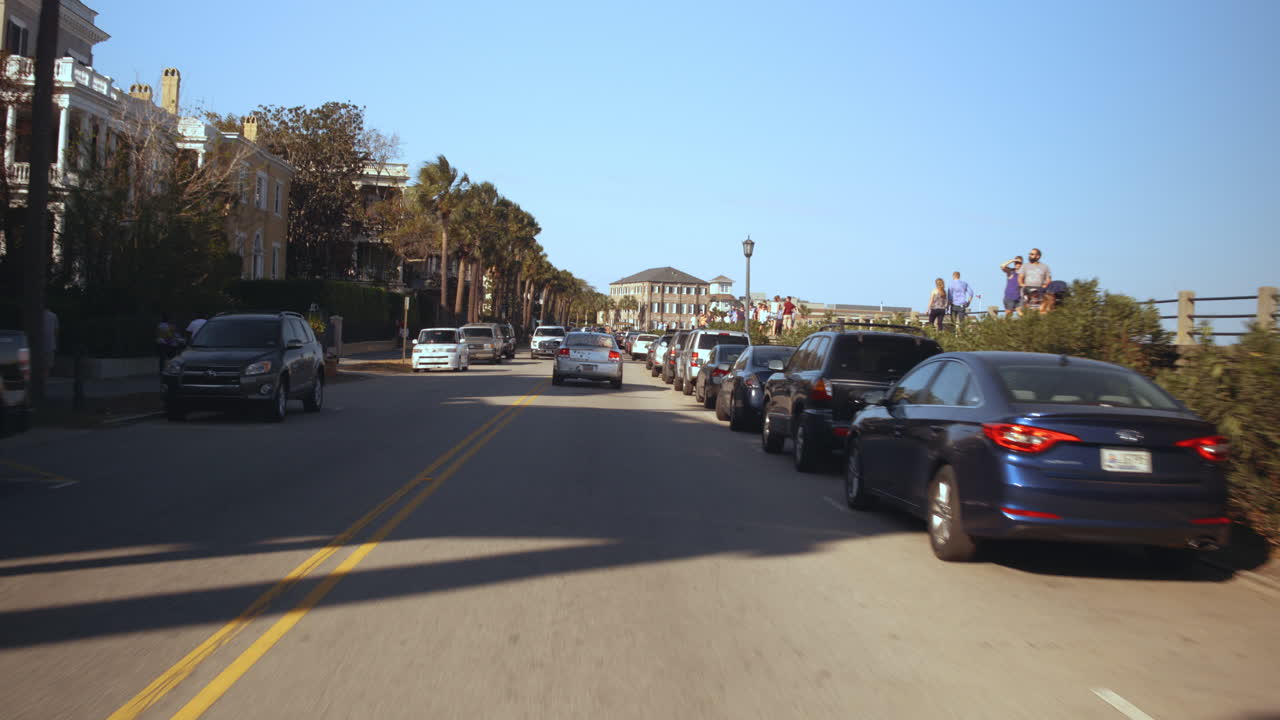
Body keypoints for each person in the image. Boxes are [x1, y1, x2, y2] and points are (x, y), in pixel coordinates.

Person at [1018, 247, 1052, 313]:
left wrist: (1045, 285)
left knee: (1040, 310)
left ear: (1038, 256)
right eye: (1030, 254)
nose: (1030, 255)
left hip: (1039, 291)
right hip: (1027, 291)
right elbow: (1020, 278)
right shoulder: (1025, 266)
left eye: (1032, 254)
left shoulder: (1045, 267)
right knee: (1024, 309)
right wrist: (1022, 284)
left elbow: (1048, 279)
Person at [42, 308, 58, 372]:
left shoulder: (38, 315)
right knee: (48, 365)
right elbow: (56, 331)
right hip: (50, 344)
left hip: (39, 345)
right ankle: (45, 378)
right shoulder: (54, 316)